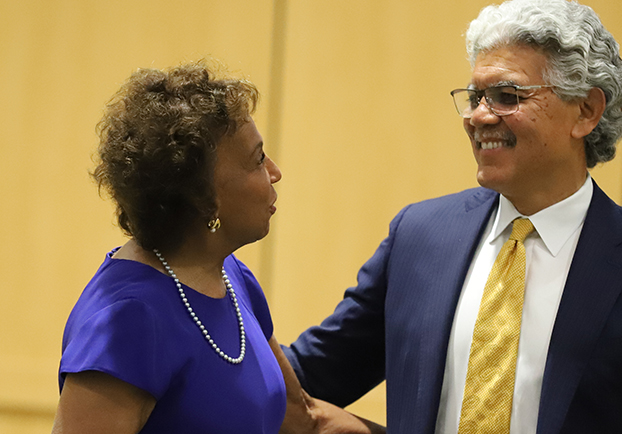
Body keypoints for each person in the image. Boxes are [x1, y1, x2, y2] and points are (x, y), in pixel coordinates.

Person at [284, 1, 622, 433]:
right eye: (476, 96)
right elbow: (308, 377)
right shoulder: (419, 237)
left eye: (506, 96)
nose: (478, 117)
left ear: (587, 111)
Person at [53, 61, 384, 434]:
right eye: (257, 160)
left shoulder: (232, 276)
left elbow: (303, 419)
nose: (274, 172)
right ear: (203, 199)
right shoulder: (128, 321)